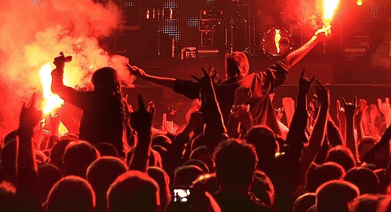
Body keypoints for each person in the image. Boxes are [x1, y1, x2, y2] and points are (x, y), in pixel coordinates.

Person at [128, 26, 330, 136]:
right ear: (245, 67)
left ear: (227, 70)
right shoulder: (259, 80)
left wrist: (145, 76)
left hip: (228, 145)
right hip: (266, 144)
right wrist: (314, 39)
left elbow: (178, 84)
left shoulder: (214, 89)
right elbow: (288, 61)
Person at [51, 53, 127, 154]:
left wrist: (60, 67)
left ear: (96, 82)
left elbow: (58, 89)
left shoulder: (93, 99)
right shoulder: (121, 104)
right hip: (115, 152)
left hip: (92, 152)